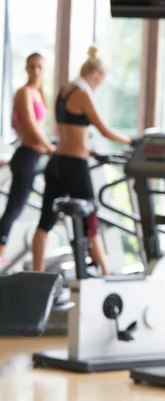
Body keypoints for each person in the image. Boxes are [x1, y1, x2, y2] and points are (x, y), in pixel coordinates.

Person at [31, 45, 133, 276]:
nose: (99, 84)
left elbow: (71, 129)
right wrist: (132, 142)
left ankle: (36, 276)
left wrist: (90, 149)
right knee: (91, 219)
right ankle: (105, 275)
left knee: (45, 222)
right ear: (95, 74)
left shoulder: (65, 90)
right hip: (74, 165)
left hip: (56, 161)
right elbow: (105, 130)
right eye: (101, 79)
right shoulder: (84, 93)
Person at [0, 53, 55, 264]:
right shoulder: (24, 92)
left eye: (40, 66)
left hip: (34, 155)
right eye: (32, 66)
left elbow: (18, 124)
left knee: (19, 206)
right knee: (15, 206)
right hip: (26, 155)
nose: (36, 71)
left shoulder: (39, 94)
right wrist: (48, 147)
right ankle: (1, 250)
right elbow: (30, 124)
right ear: (26, 68)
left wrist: (46, 145)